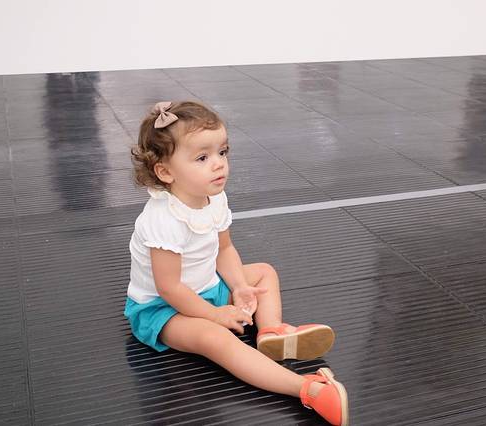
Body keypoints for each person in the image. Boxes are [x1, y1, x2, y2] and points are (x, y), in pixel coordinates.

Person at [124, 100, 349, 425]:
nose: (219, 164)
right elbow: (169, 288)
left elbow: (224, 249)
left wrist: (240, 286)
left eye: (222, 152)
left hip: (206, 287)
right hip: (163, 310)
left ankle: (270, 332)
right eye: (202, 158)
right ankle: (308, 389)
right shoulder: (163, 220)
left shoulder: (214, 198)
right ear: (165, 171)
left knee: (263, 273)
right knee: (216, 339)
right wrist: (215, 315)